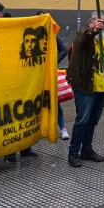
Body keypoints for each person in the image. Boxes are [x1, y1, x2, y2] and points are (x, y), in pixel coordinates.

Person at [66, 11, 104, 168]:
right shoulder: (84, 34)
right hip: (86, 88)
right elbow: (84, 38)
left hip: (101, 88)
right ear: (92, 22)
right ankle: (73, 153)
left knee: (93, 121)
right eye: (100, 22)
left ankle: (87, 150)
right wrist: (93, 31)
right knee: (82, 120)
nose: (102, 26)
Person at [36, 10, 70, 139]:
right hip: (35, 75)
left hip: (49, 74)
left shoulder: (53, 35)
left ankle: (62, 128)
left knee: (56, 102)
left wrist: (53, 60)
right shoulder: (31, 35)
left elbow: (64, 50)